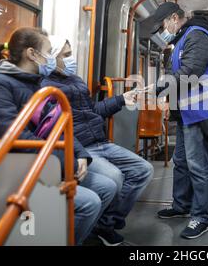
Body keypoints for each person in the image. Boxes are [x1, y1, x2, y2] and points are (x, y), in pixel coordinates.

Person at [0, 27, 117, 245]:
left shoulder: (34, 84)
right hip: (9, 168)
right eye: (48, 52)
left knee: (107, 187)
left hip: (36, 161)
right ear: (32, 54)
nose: (51, 59)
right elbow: (19, 138)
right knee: (89, 202)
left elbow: (57, 123)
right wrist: (69, 164)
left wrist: (80, 153)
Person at [41, 36, 154, 246]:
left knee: (143, 169)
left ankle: (106, 223)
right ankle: (96, 228)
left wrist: (121, 99)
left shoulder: (75, 80)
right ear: (52, 58)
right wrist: (77, 150)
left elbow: (93, 112)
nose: (71, 58)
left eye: (70, 52)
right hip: (80, 145)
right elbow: (53, 126)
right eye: (66, 55)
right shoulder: (44, 85)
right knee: (115, 176)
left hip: (101, 141)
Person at [148, 2, 208, 239]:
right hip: (186, 111)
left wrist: (158, 86)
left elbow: (190, 72)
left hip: (201, 111)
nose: (163, 30)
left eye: (163, 24)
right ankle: (181, 206)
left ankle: (202, 217)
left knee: (197, 164)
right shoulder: (182, 39)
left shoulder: (197, 36)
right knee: (181, 160)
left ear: (174, 18)